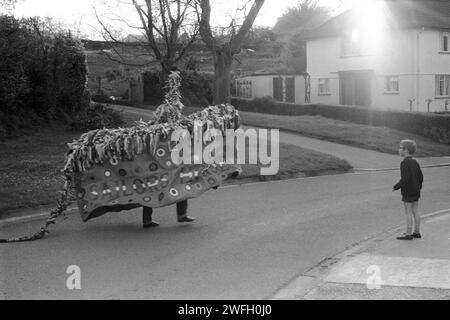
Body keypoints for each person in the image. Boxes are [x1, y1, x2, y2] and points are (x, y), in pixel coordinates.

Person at [392, 139, 423, 240]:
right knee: (415, 210)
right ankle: (417, 232)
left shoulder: (404, 163)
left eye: (400, 148)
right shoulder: (415, 162)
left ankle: (408, 234)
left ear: (406, 150)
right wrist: (419, 187)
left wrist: (396, 186)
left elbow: (405, 179)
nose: (399, 150)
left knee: (408, 212)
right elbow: (421, 176)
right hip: (416, 190)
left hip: (408, 191)